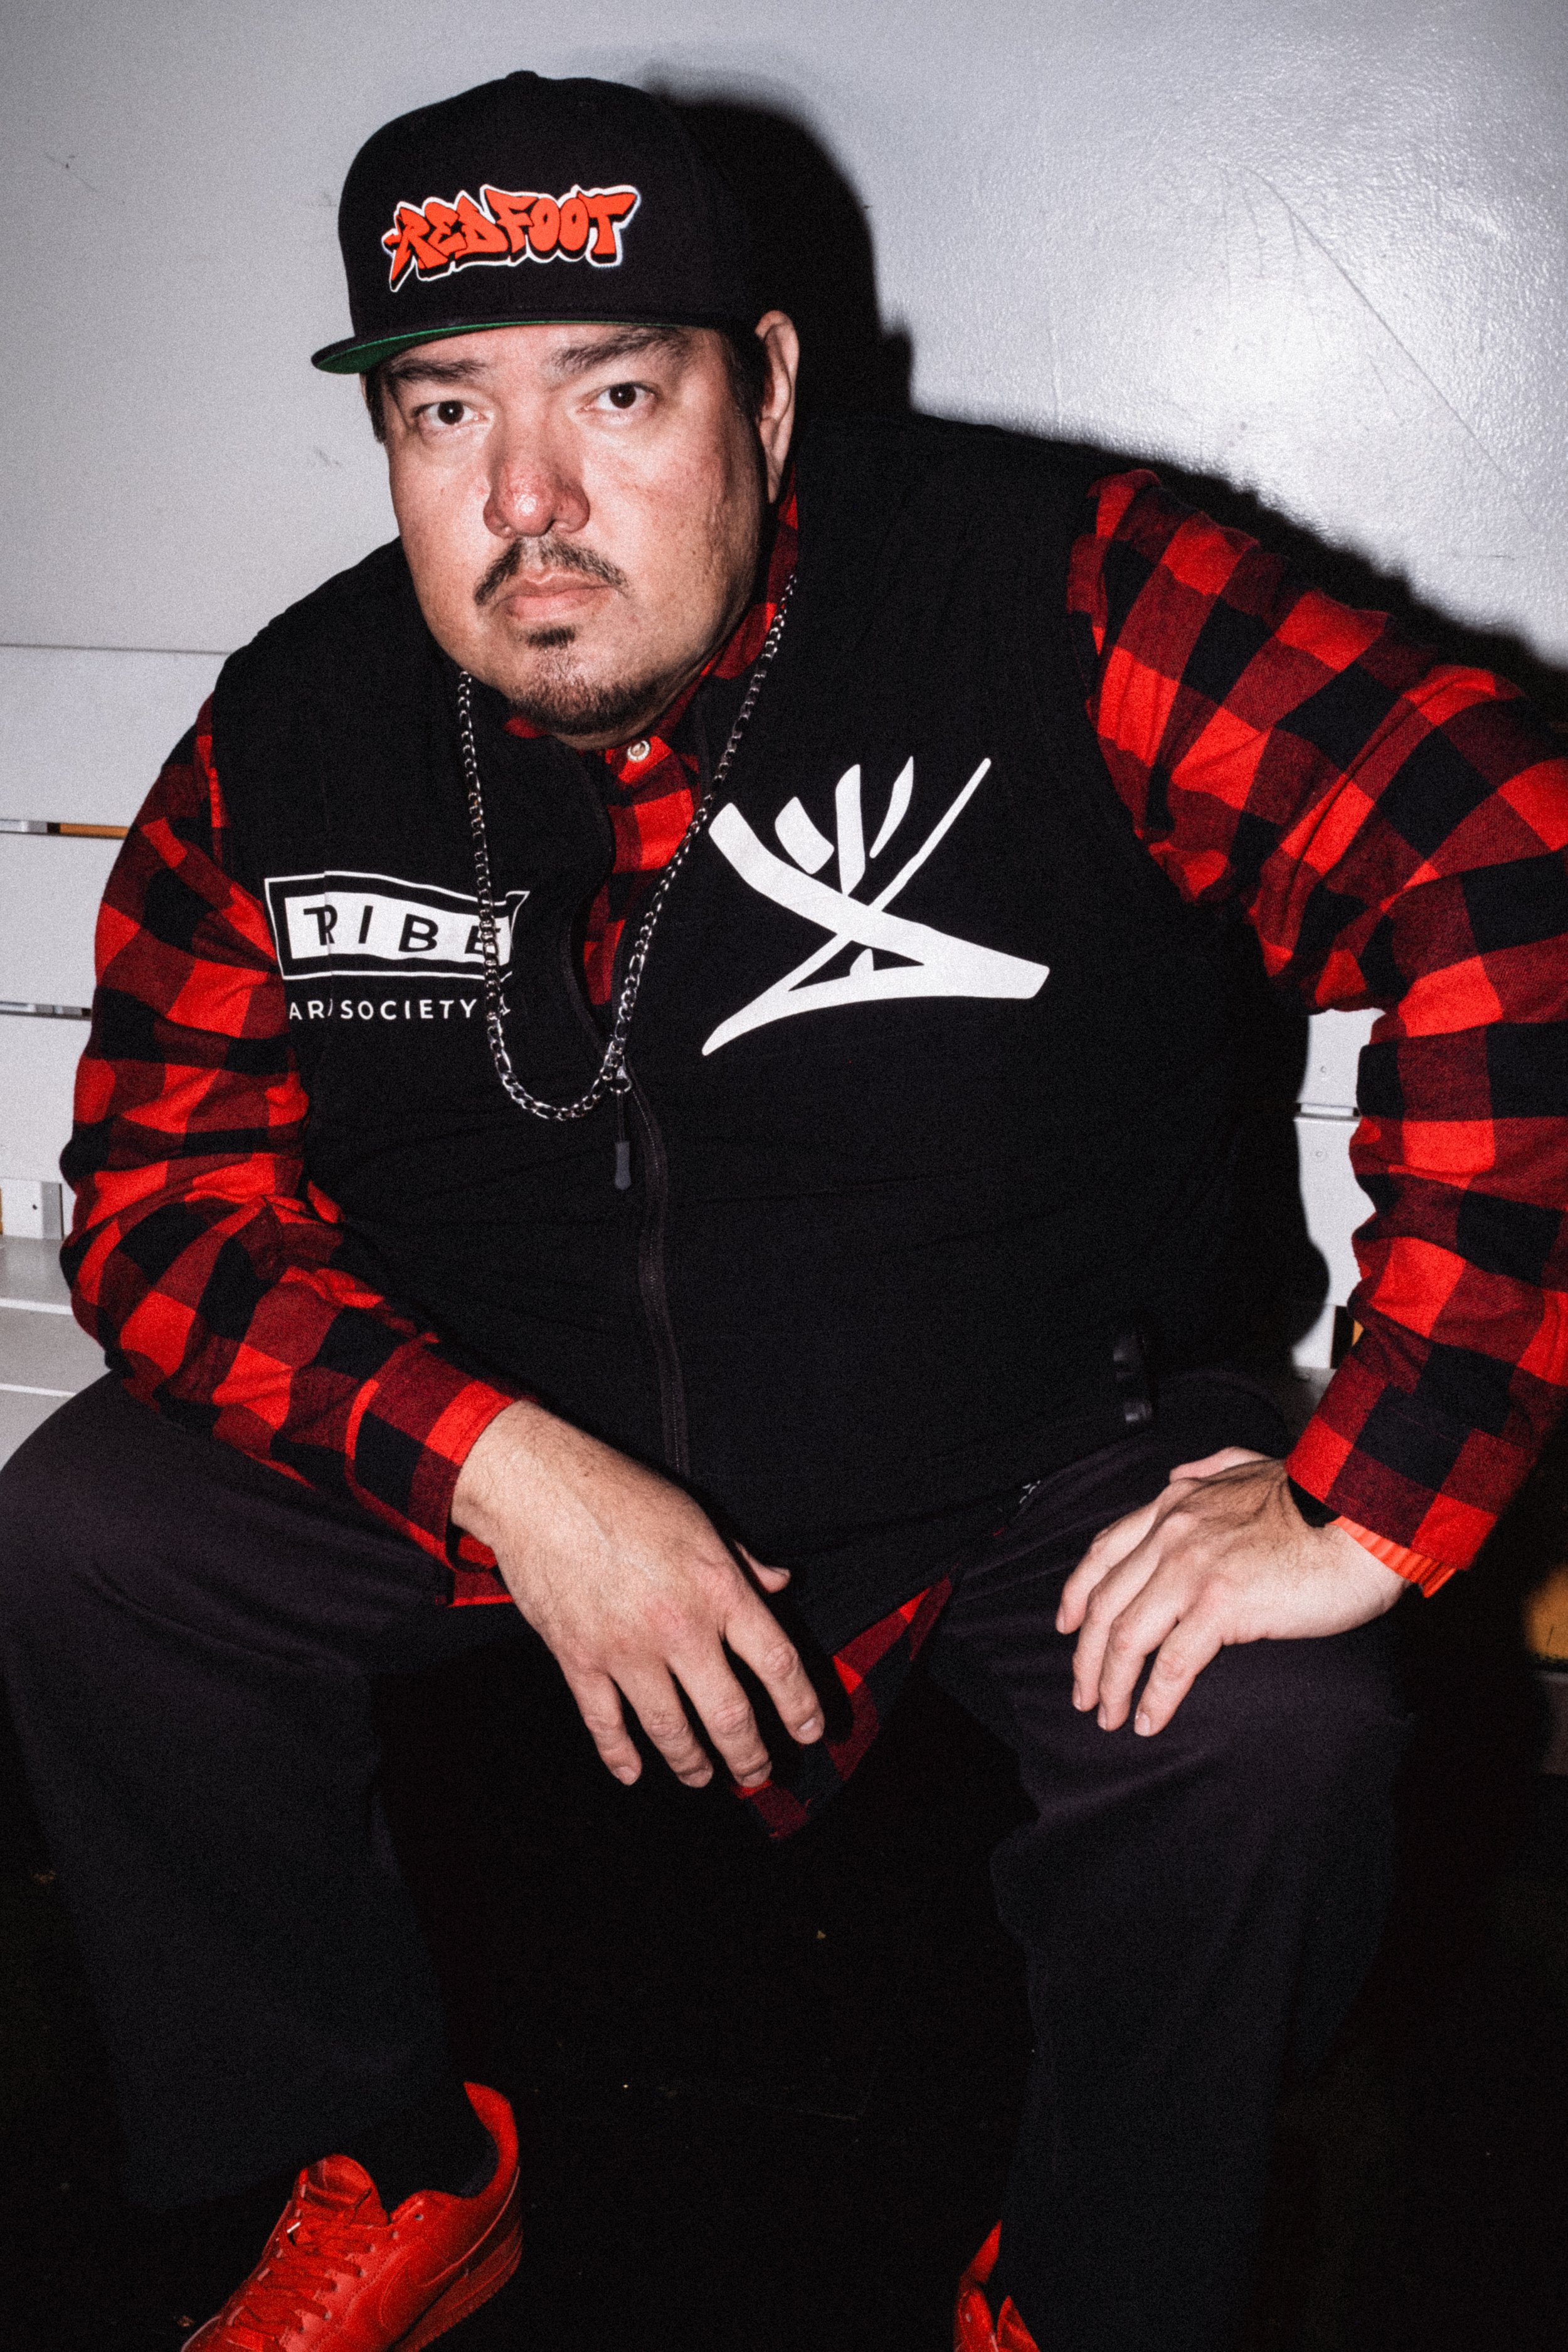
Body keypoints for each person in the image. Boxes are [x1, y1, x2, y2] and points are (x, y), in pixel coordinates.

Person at [1, 66, 1564, 2352]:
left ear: (767, 386)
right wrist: (504, 1472)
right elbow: (156, 1196)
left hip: (1033, 1452)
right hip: (520, 1444)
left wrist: (1374, 1497)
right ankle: (395, 2160)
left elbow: (1506, 864)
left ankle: (1101, 2281)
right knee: (92, 1541)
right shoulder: (297, 727)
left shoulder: (1060, 590)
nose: (528, 500)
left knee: (1274, 1739)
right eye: (446, 411)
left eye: (615, 391)